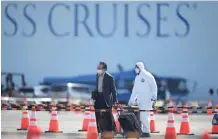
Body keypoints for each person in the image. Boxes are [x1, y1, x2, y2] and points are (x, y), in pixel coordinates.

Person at [128, 62, 157, 137]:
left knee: (144, 116)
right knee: (139, 116)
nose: (135, 69)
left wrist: (154, 97)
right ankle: (142, 131)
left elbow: (154, 86)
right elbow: (134, 91)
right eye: (135, 68)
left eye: (137, 68)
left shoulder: (148, 75)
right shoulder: (137, 78)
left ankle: (146, 131)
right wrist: (131, 101)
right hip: (140, 100)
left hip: (147, 100)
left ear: (140, 68)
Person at [91, 62, 118, 136]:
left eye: (100, 68)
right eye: (98, 68)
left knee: (108, 116)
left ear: (104, 69)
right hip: (98, 97)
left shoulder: (109, 77)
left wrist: (115, 101)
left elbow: (113, 90)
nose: (98, 69)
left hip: (105, 98)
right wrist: (93, 98)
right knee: (97, 114)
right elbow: (97, 88)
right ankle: (99, 132)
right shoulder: (97, 76)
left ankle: (110, 131)